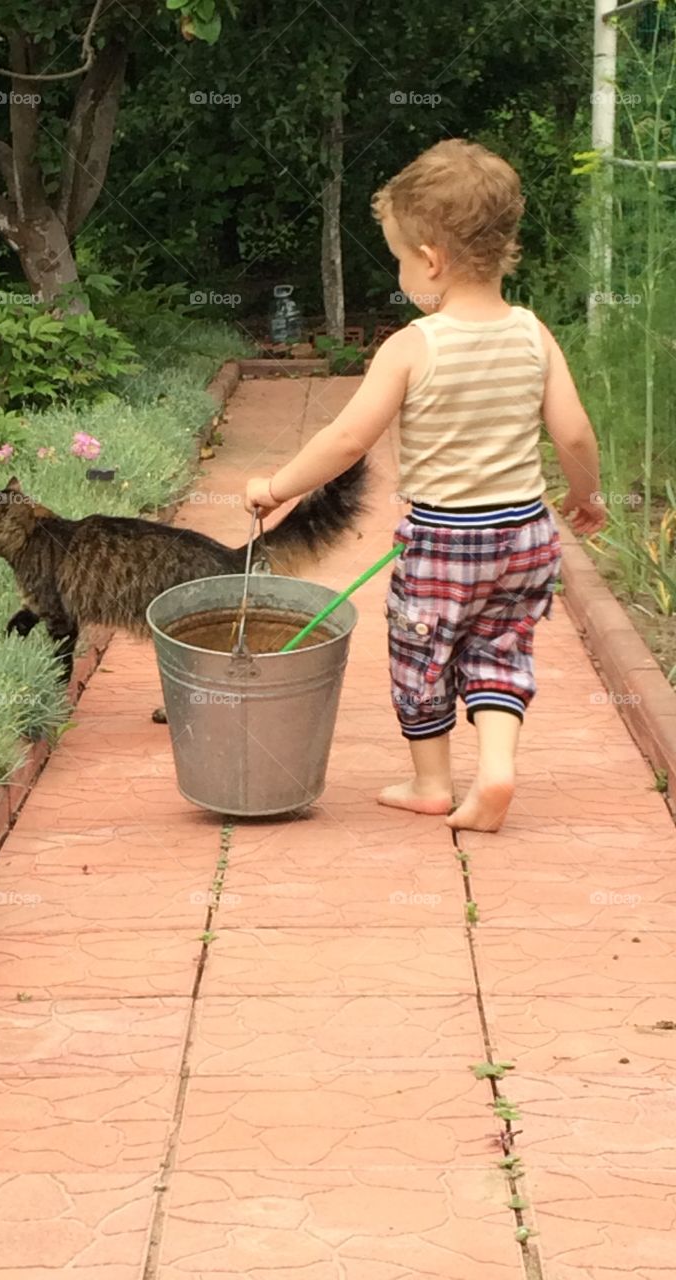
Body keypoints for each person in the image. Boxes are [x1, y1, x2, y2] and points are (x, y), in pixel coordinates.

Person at [244, 138, 606, 833]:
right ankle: (495, 768)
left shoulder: (414, 345)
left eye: (401, 260)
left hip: (445, 539)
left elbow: (347, 440)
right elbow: (575, 432)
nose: (402, 273)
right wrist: (585, 496)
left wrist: (278, 486)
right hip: (526, 534)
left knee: (423, 654)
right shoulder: (533, 334)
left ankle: (433, 782)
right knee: (501, 647)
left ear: (431, 260)